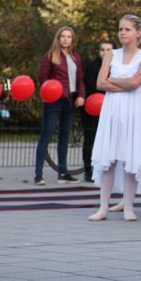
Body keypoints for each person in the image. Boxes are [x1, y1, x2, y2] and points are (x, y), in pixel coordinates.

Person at [88, 15, 141, 222]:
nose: (122, 32)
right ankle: (103, 207)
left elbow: (137, 82)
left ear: (138, 33)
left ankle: (129, 206)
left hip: (133, 110)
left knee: (129, 159)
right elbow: (100, 83)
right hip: (112, 110)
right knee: (109, 158)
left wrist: (114, 80)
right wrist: (124, 82)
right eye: (120, 29)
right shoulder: (111, 55)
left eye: (127, 29)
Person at [34, 26, 87, 185]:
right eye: (63, 36)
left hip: (70, 102)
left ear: (72, 40)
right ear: (58, 38)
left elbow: (80, 80)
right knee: (46, 136)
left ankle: (63, 173)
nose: (65, 39)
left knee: (64, 138)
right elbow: (43, 78)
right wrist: (54, 91)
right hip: (54, 101)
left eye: (69, 36)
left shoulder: (75, 58)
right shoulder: (50, 56)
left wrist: (81, 96)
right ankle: (38, 174)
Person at [81, 39, 114, 183]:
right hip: (92, 108)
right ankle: (88, 170)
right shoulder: (92, 66)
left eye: (108, 50)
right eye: (102, 50)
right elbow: (91, 85)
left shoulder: (117, 65)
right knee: (90, 139)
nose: (105, 53)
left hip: (111, 107)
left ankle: (105, 170)